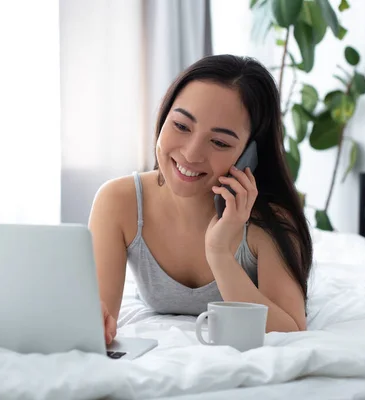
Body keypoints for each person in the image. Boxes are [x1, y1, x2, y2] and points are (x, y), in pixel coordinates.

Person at [88, 54, 313, 345]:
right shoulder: (118, 202)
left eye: (219, 142)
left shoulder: (268, 220)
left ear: (250, 154)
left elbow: (292, 330)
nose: (192, 154)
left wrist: (219, 252)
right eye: (181, 126)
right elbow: (98, 318)